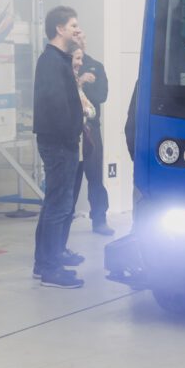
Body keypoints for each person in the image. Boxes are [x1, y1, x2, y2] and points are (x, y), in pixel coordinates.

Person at [32, 6, 85, 288]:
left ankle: (44, 264)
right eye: (73, 25)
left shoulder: (58, 59)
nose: (78, 29)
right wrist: (70, 133)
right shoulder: (51, 61)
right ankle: (51, 269)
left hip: (61, 140)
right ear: (59, 29)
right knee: (59, 206)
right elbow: (56, 105)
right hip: (59, 142)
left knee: (55, 203)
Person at [71, 32, 114, 236]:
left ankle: (99, 219)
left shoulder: (96, 66)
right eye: (77, 39)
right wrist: (78, 81)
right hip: (69, 130)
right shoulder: (63, 68)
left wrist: (85, 84)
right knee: (71, 178)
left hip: (91, 129)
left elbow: (101, 95)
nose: (82, 42)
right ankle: (64, 220)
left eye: (84, 39)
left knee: (95, 176)